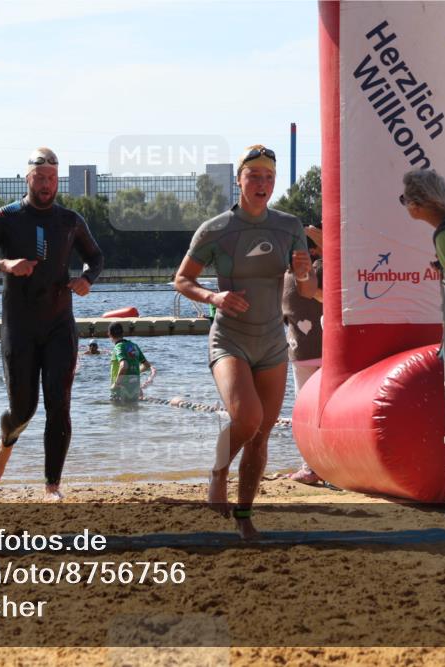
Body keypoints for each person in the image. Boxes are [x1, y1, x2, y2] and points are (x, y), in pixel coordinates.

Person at [174, 144, 313, 539]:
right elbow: (182, 279)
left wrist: (304, 273)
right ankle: (218, 471)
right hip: (230, 338)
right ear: (239, 180)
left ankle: (245, 515)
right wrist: (214, 297)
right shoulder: (217, 229)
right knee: (247, 419)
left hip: (272, 341)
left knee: (261, 435)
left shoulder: (289, 226)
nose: (262, 184)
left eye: (269, 177)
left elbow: (308, 288)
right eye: (254, 176)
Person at [0, 147, 104, 502]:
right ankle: (7, 440)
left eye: (52, 179)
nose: (46, 185)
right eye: (40, 178)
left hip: (59, 325)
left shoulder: (70, 220)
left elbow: (96, 257)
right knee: (23, 408)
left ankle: (52, 485)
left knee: (59, 402)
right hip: (20, 326)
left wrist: (87, 278)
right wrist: (4, 264)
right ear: (27, 179)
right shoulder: (7, 216)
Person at [282, 224, 324, 485]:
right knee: (316, 409)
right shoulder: (317, 269)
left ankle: (311, 466)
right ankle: (318, 464)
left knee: (306, 409)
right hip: (317, 351)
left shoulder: (289, 276)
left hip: (304, 352)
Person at [108, 322, 156, 402]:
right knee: (133, 409)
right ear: (122, 333)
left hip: (120, 391)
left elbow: (124, 366)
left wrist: (116, 384)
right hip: (135, 390)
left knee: (118, 409)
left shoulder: (118, 347)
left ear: (109, 334)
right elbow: (146, 365)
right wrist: (133, 372)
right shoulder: (134, 346)